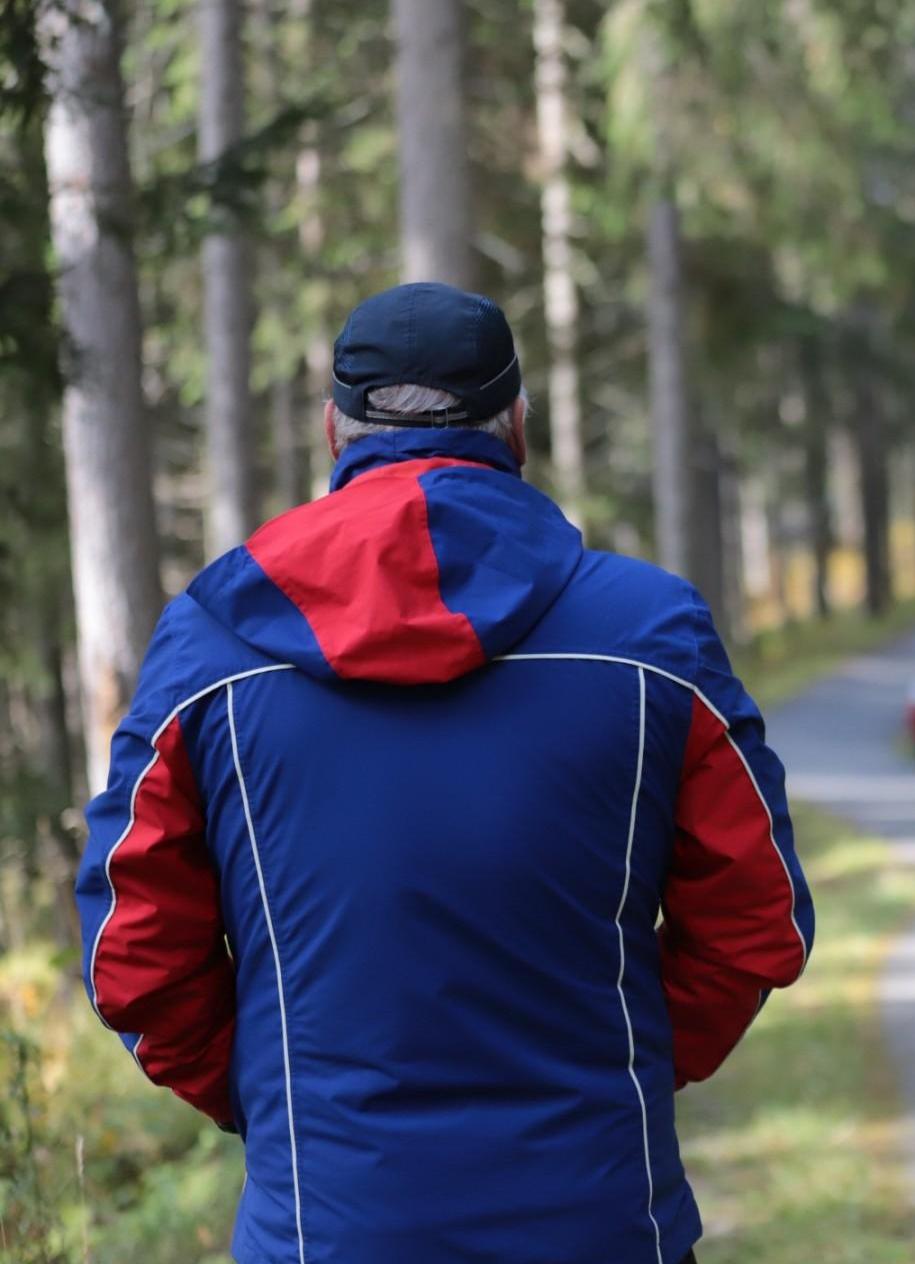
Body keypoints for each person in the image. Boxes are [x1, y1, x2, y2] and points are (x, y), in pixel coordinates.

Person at [75, 282, 813, 1264]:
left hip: (324, 1231)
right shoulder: (648, 635)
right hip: (597, 1223)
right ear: (516, 422)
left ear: (333, 426)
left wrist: (273, 1092)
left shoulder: (210, 648)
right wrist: (622, 1064)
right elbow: (755, 917)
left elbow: (135, 951)